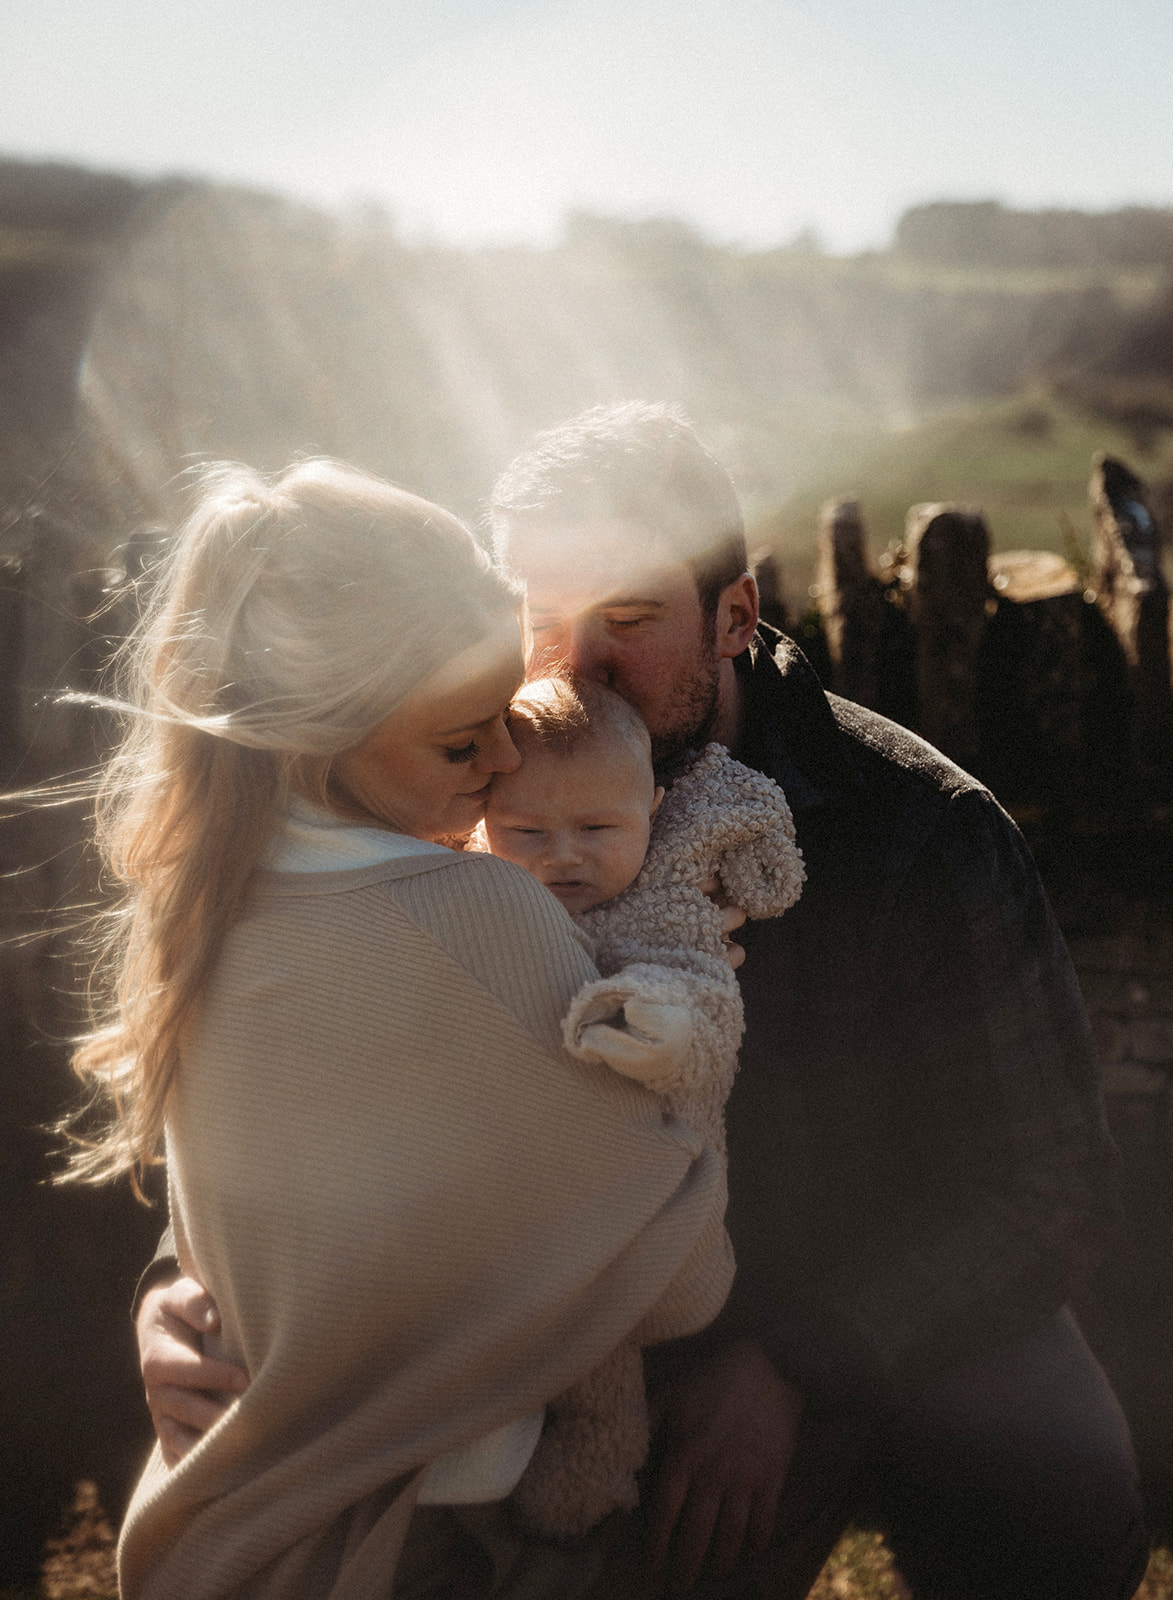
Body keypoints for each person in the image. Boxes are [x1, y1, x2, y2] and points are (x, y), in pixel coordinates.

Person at [138, 408, 1148, 1600]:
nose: (571, 666)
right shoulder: (459, 781)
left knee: (1059, 1475)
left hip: (854, 1293)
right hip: (563, 1307)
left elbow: (1045, 1183)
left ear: (734, 616)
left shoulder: (923, 834)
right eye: (542, 618)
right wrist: (181, 1287)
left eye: (625, 620)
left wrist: (793, 1364)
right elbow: (305, 1065)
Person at [72, 457, 735, 1600]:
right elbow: (683, 1280)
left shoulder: (194, 906)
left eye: (504, 716)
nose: (509, 762)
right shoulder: (481, 915)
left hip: (229, 1524)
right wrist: (696, 1069)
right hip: (439, 1539)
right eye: (460, 741)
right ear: (315, 730)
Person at [476, 673, 804, 1541]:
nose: (562, 857)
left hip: (639, 1212)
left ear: (654, 809)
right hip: (512, 1208)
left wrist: (657, 1025)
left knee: (597, 1351)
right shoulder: (472, 899)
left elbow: (702, 996)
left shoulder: (668, 906)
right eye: (524, 832)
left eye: (596, 829)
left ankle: (599, 1450)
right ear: (479, 821)